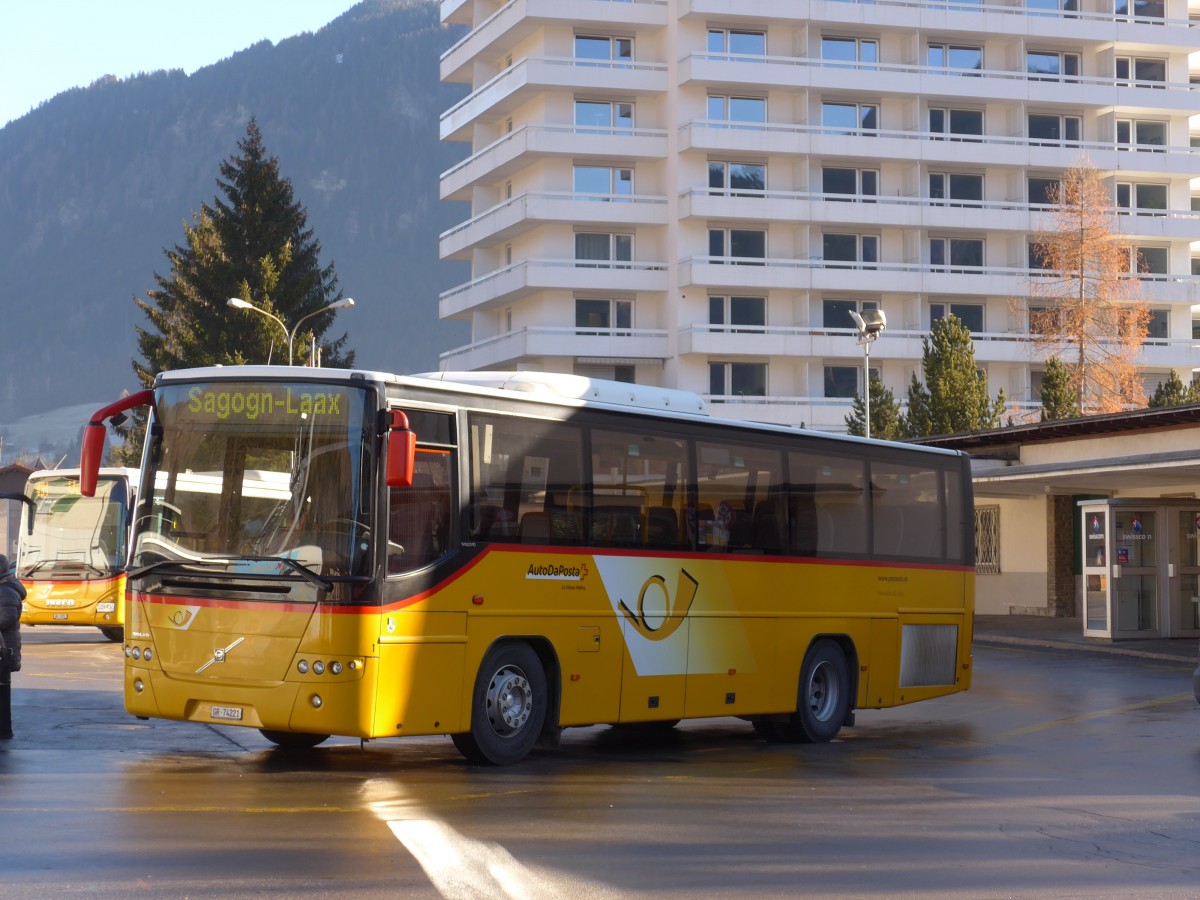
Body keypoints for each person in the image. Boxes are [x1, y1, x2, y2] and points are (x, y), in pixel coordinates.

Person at [0, 552, 23, 739]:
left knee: (2, 688)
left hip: (3, 648)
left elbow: (7, 617)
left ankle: (4, 730)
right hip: (4, 646)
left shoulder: (5, 590)